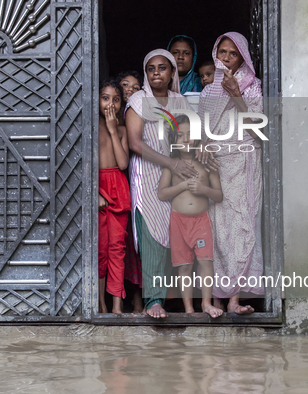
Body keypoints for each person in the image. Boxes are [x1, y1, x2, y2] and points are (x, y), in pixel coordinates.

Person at [197, 32, 265, 315]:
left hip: (244, 163)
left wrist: (237, 94)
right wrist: (204, 150)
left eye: (232, 53)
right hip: (217, 166)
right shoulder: (208, 90)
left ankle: (234, 299)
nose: (225, 58)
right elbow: (200, 131)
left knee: (242, 225)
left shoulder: (253, 87)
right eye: (222, 52)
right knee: (219, 232)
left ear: (243, 58)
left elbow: (257, 130)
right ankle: (217, 298)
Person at [126, 49, 196, 318]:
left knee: (178, 236)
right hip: (148, 178)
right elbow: (134, 143)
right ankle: (153, 301)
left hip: (178, 176)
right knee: (153, 236)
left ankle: (180, 301)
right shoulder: (138, 100)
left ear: (172, 73)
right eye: (151, 68)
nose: (156, 73)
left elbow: (191, 137)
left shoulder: (180, 102)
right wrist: (171, 163)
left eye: (162, 68)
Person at [157, 115, 224, 318]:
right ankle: (188, 309)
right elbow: (162, 193)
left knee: (206, 263)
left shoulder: (206, 163)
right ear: (173, 141)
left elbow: (219, 195)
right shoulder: (172, 165)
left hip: (201, 221)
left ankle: (206, 304)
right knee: (184, 266)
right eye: (180, 136)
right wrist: (182, 186)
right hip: (178, 222)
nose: (186, 140)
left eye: (190, 135)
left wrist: (203, 189)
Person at [98, 79, 130, 314]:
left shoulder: (121, 130)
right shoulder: (90, 126)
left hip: (118, 188)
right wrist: (95, 193)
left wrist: (112, 129)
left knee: (117, 249)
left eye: (116, 99)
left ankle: (117, 306)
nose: (110, 103)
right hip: (100, 189)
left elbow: (123, 163)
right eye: (105, 98)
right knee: (100, 251)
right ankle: (100, 305)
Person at [115, 70, 144, 312]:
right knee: (120, 242)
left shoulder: (139, 114)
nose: (130, 90)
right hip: (118, 181)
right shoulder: (114, 119)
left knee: (138, 241)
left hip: (140, 179)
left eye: (135, 86)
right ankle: (123, 297)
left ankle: (139, 298)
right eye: (125, 85)